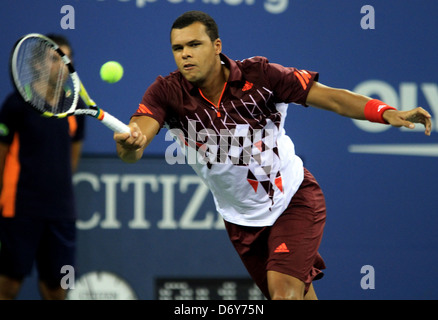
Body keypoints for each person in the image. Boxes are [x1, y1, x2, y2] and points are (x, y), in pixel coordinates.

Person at [114, 11, 432, 300]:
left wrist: (385, 112)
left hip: (293, 199)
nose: (185, 54)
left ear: (216, 46)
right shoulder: (166, 92)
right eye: (177, 48)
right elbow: (137, 139)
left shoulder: (263, 76)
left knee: (284, 296)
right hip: (239, 219)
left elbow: (333, 99)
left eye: (194, 44)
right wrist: (131, 144)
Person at [0, 34, 86, 300]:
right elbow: (1, 156)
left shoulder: (76, 107)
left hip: (60, 212)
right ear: (37, 64)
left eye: (66, 59)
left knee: (55, 290)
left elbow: (71, 159)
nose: (63, 64)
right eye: (55, 58)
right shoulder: (15, 105)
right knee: (9, 285)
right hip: (19, 208)